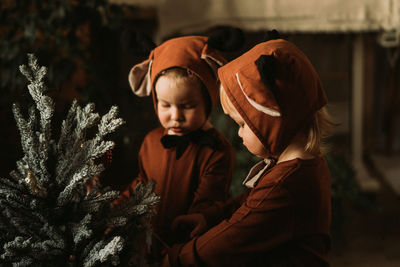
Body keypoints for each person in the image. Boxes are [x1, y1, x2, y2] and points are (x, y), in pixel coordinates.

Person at [167, 32, 335, 266]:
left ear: (272, 118)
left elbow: (228, 243)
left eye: (243, 123)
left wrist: (174, 259)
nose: (238, 133)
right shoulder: (299, 166)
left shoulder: (284, 184)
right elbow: (250, 203)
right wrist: (209, 217)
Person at [112, 35, 239, 263]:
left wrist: (183, 247)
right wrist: (114, 209)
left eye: (187, 106)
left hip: (194, 250)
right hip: (152, 244)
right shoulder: (151, 142)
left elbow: (207, 204)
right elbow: (141, 185)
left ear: (208, 101)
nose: (176, 116)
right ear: (155, 101)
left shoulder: (217, 150)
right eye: (165, 105)